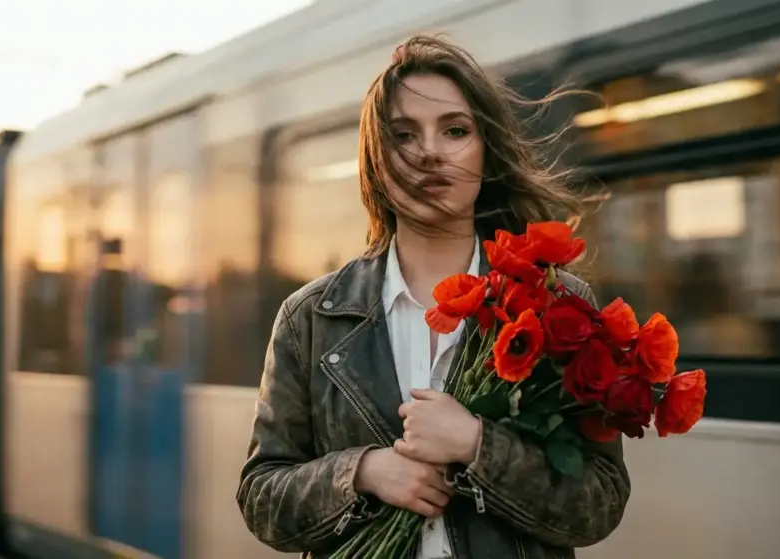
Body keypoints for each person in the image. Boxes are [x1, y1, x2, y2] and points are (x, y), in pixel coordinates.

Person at [237, 34, 631, 558]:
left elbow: (599, 502)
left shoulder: (556, 303)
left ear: (485, 151)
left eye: (455, 131)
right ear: (377, 159)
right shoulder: (310, 318)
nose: (429, 153)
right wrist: (361, 473)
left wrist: (477, 446)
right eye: (403, 135)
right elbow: (262, 498)